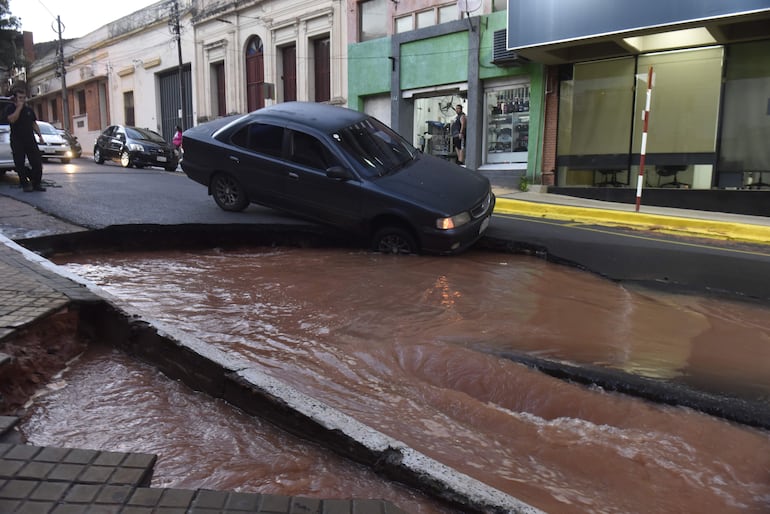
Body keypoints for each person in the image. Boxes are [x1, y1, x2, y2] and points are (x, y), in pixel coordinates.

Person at [5, 83, 45, 192]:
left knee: (37, 162)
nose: (22, 100)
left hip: (30, 140)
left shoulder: (29, 110)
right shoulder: (10, 108)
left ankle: (36, 183)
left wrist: (40, 136)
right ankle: (25, 184)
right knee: (20, 163)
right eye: (20, 98)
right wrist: (18, 108)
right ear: (15, 98)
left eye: (24, 98)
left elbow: (34, 123)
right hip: (17, 140)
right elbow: (12, 119)